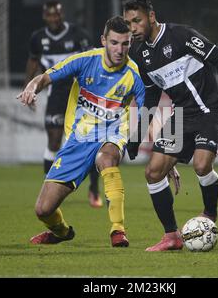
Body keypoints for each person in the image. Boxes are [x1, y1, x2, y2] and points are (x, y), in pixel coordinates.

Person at [17, 16, 145, 247]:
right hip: (79, 139)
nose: (120, 49)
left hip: (112, 134)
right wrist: (31, 86)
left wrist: (163, 156)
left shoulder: (133, 74)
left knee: (107, 159)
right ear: (103, 40)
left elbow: (147, 113)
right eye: (114, 43)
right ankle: (62, 232)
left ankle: (118, 230)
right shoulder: (85, 61)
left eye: (125, 44)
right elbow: (46, 76)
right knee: (43, 209)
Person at [123, 0, 218, 251]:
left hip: (209, 109)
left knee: (201, 165)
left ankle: (209, 214)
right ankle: (171, 236)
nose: (133, 28)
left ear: (151, 16)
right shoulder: (139, 53)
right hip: (181, 115)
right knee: (153, 171)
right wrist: (138, 133)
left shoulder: (181, 36)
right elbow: (151, 95)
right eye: (129, 22)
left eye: (137, 21)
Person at [24, 0, 103, 208]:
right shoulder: (38, 38)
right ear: (44, 16)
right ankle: (49, 188)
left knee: (90, 142)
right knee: (53, 141)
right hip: (56, 95)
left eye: (57, 13)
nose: (54, 18)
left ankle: (94, 190)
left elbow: (94, 59)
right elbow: (33, 62)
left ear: (62, 14)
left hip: (81, 94)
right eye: (50, 14)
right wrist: (29, 88)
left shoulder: (79, 35)